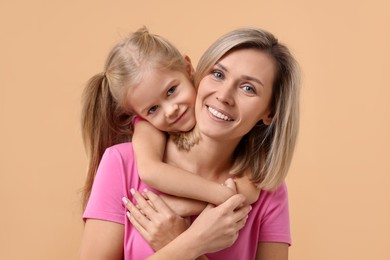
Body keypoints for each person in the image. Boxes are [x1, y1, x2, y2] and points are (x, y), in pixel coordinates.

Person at [81, 27, 300, 259]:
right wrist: (192, 244)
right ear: (198, 73)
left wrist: (181, 242)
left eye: (248, 88)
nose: (224, 95)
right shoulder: (123, 164)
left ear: (270, 112)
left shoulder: (266, 190)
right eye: (218, 74)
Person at [80, 26, 259, 216]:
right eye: (153, 109)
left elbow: (252, 189)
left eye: (171, 91)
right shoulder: (148, 129)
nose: (171, 110)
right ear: (137, 114)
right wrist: (219, 195)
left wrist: (186, 206)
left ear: (188, 68)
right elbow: (150, 171)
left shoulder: (235, 126)